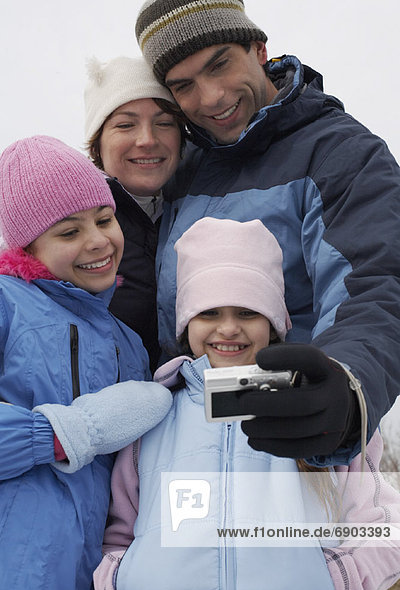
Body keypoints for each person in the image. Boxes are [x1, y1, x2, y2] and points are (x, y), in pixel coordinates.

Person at [133, 0, 400, 466]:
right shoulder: (176, 171)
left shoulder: (342, 153)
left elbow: (378, 284)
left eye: (220, 64)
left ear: (258, 50)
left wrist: (345, 386)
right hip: (181, 449)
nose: (211, 97)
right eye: (184, 86)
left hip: (297, 440)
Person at [93, 218, 400, 590]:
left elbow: (383, 527)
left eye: (247, 312)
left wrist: (335, 582)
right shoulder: (153, 414)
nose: (228, 329)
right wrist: (122, 582)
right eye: (208, 313)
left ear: (272, 323)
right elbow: (117, 534)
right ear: (186, 324)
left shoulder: (319, 408)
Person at [0, 135, 173, 590]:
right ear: (29, 247)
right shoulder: (6, 304)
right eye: (69, 231)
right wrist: (68, 431)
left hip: (91, 581)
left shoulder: (128, 344)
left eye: (104, 219)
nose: (98, 241)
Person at [84, 55, 185, 371]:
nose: (147, 140)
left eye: (164, 122)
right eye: (125, 124)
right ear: (97, 144)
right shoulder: (67, 223)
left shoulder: (206, 207)